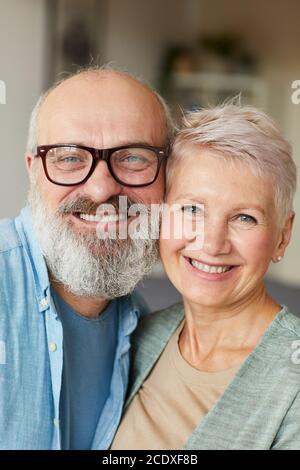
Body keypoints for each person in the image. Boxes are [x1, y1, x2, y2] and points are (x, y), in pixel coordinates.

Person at [0, 66, 173, 449]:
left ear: (168, 176)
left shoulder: (143, 327)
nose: (100, 189)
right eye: (69, 158)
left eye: (132, 158)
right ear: (34, 171)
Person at [112, 104, 300, 450]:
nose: (212, 243)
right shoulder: (138, 336)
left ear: (283, 236)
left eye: (244, 218)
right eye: (192, 209)